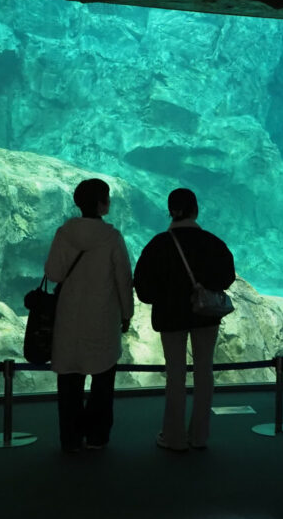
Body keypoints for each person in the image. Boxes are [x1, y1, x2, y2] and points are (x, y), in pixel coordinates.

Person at [133, 188, 235, 451]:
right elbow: (227, 278)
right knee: (204, 371)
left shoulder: (158, 245)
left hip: (170, 317)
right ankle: (199, 436)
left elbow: (142, 287)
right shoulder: (214, 243)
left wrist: (165, 296)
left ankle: (174, 437)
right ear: (196, 210)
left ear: (170, 211)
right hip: (206, 316)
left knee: (175, 374)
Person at [44, 178, 133, 453]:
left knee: (69, 380)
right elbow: (123, 279)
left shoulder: (63, 233)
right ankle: (97, 436)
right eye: (106, 197)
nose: (109, 202)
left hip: (69, 318)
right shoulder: (112, 238)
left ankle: (70, 438)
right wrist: (127, 313)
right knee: (103, 379)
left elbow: (53, 274)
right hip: (103, 319)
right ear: (100, 204)